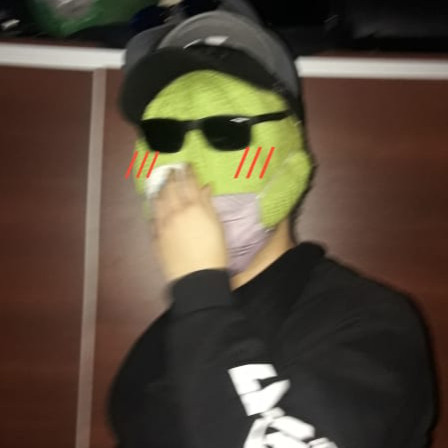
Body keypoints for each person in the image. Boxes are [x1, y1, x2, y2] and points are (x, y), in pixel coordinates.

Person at [107, 10, 437, 448]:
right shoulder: (169, 333)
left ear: (291, 158)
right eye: (162, 135)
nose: (191, 169)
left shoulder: (369, 321)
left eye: (227, 131)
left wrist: (200, 290)